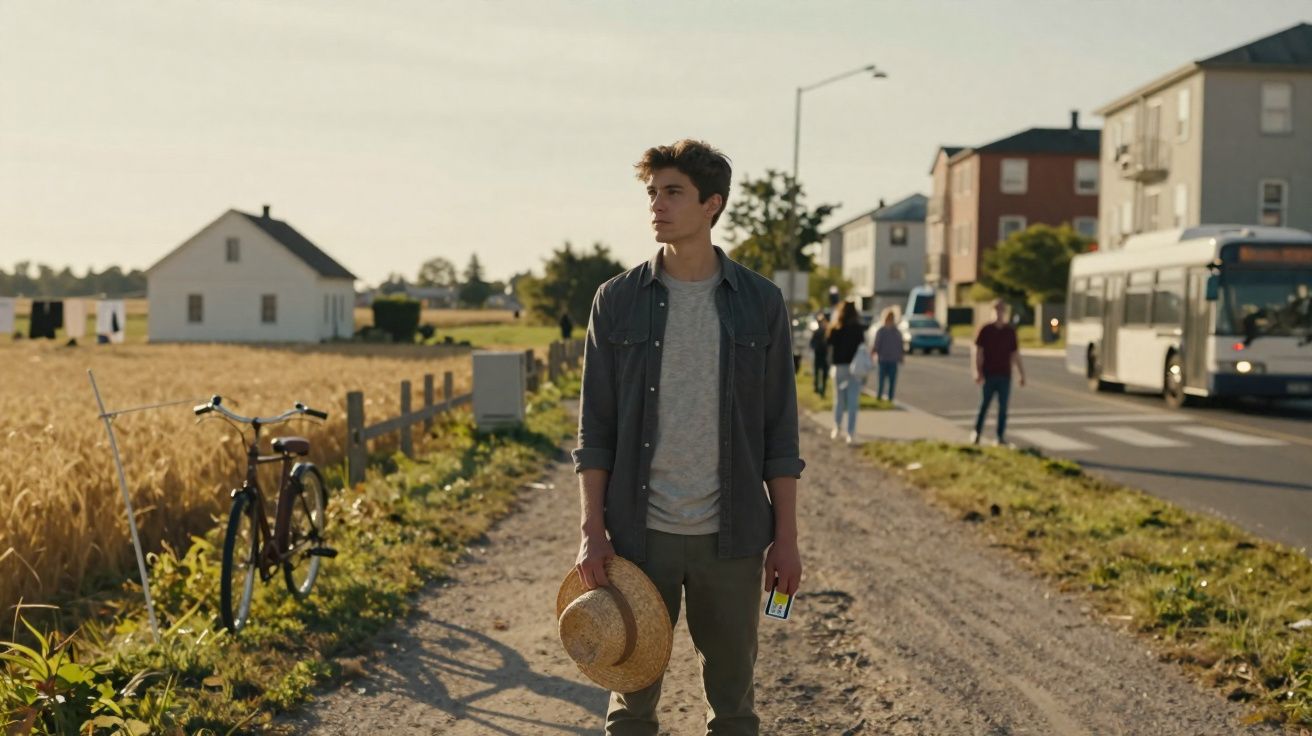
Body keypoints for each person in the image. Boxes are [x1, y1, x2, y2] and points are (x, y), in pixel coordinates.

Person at [573, 139, 804, 736]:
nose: (657, 205)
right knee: (630, 707)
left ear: (712, 204)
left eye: (672, 192)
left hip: (732, 542)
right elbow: (594, 431)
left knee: (733, 710)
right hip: (637, 538)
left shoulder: (761, 303)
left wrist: (786, 540)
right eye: (652, 193)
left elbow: (781, 433)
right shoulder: (616, 301)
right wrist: (592, 532)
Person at [972, 299, 1026, 445]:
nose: (999, 313)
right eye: (996, 310)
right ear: (992, 311)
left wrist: (1021, 374)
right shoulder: (985, 330)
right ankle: (977, 432)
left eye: (1001, 310)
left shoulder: (1010, 331)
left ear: (1005, 313)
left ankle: (999, 436)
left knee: (1003, 408)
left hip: (1005, 374)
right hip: (989, 373)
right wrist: (977, 371)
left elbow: (1015, 354)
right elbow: (977, 351)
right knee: (984, 405)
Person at [826, 300, 866, 444]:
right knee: (853, 401)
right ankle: (851, 433)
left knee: (839, 400)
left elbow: (829, 342)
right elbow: (862, 346)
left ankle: (836, 427)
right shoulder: (858, 328)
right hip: (854, 368)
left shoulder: (836, 327)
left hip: (839, 367)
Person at [870, 308, 904, 402]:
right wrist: (872, 353)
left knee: (892, 382)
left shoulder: (897, 332)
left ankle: (890, 398)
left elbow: (900, 346)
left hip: (893, 360)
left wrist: (901, 356)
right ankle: (879, 397)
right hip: (883, 359)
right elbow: (877, 344)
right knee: (881, 381)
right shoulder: (881, 331)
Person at [809, 312, 830, 398]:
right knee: (818, 372)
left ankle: (821, 389)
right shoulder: (818, 332)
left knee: (822, 372)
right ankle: (818, 388)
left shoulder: (826, 331)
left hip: (824, 355)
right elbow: (812, 343)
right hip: (820, 354)